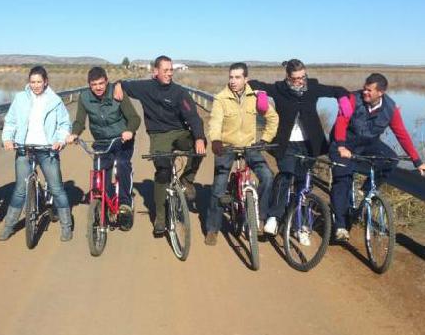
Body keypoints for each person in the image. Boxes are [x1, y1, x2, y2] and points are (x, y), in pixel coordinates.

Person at [248, 59, 349, 236]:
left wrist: (343, 100)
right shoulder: (279, 89)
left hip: (309, 144)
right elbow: (252, 83)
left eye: (303, 76)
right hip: (286, 143)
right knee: (286, 175)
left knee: (303, 183)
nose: (301, 81)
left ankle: (298, 222)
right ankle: (274, 217)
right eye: (296, 78)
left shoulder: (313, 87)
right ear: (288, 77)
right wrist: (262, 94)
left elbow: (338, 90)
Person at [329, 73, 425, 241]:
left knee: (391, 159)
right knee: (343, 179)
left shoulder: (390, 109)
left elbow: (402, 134)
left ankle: (366, 189)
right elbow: (341, 121)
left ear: (380, 92)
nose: (365, 92)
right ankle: (340, 226)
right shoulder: (352, 99)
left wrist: (417, 161)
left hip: (368, 143)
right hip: (344, 142)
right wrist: (341, 146)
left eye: (369, 90)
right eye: (364, 88)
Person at [114, 55, 206, 236]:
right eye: (165, 70)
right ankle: (161, 218)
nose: (169, 73)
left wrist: (199, 137)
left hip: (179, 132)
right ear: (155, 72)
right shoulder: (145, 87)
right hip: (158, 135)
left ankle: (187, 179)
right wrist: (118, 84)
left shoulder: (179, 92)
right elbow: (123, 84)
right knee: (163, 172)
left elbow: (193, 117)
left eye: (171, 70)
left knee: (200, 146)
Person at [205, 62, 279, 245]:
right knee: (218, 188)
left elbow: (272, 117)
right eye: (231, 77)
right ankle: (212, 228)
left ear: (246, 79)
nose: (233, 81)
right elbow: (215, 122)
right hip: (226, 147)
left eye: (237, 77)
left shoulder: (255, 97)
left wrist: (265, 140)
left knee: (268, 177)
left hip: (249, 146)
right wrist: (215, 140)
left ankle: (259, 217)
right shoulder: (221, 98)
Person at [0, 65, 73, 242]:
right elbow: (10, 121)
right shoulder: (21, 98)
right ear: (28, 82)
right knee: (20, 190)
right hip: (25, 148)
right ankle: (9, 226)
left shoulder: (55, 100)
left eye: (39, 81)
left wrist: (60, 140)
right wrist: (8, 138)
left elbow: (64, 124)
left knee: (56, 188)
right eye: (33, 82)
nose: (36, 85)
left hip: (48, 149)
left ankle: (66, 226)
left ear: (45, 82)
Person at [66, 66, 141, 229]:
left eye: (101, 83)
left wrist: (129, 130)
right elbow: (79, 120)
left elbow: (135, 118)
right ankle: (104, 203)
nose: (98, 87)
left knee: (122, 164)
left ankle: (125, 205)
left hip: (122, 140)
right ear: (89, 85)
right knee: (100, 171)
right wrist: (74, 133)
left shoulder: (117, 93)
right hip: (101, 141)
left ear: (107, 82)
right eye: (94, 84)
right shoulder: (85, 97)